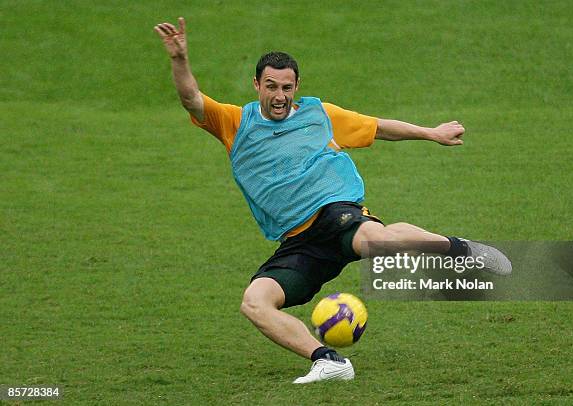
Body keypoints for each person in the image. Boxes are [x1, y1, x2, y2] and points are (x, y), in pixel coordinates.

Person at [154, 17, 511, 384]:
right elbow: (191, 99)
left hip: (336, 213)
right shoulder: (235, 122)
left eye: (287, 87)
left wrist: (431, 133)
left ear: (297, 86)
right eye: (272, 86)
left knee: (378, 241)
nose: (280, 96)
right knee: (254, 301)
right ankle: (328, 361)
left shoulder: (319, 114)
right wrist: (179, 59)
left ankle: (462, 250)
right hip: (297, 243)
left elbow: (378, 126)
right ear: (256, 84)